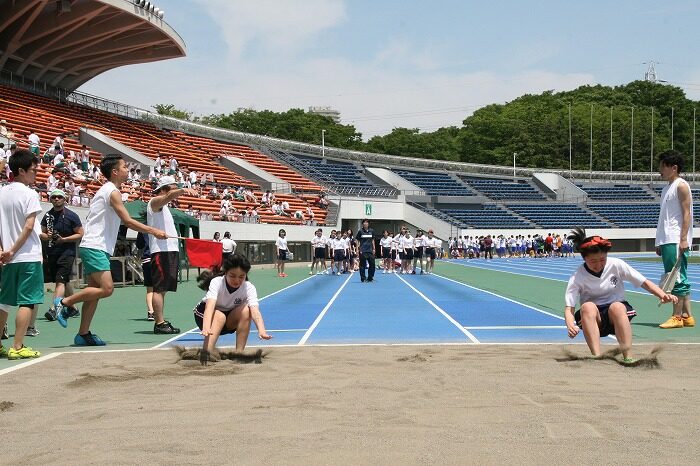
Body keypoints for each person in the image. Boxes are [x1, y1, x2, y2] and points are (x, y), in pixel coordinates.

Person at [53, 154, 167, 346]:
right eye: (124, 167)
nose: (127, 170)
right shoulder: (112, 191)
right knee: (107, 289)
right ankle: (63, 303)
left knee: (95, 292)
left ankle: (83, 334)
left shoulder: (110, 191)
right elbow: (127, 220)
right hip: (94, 246)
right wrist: (153, 230)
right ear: (114, 171)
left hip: (98, 247)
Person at [564, 228, 677, 363]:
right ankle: (597, 356)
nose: (599, 265)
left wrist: (662, 295)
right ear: (584, 259)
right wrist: (571, 325)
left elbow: (643, 282)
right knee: (587, 307)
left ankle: (628, 356)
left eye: (602, 259)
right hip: (595, 319)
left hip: (617, 315)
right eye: (593, 261)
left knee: (617, 307)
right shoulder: (578, 276)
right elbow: (569, 308)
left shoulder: (616, 264)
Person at [0, 150, 44, 359]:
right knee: (27, 301)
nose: (36, 173)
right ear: (21, 171)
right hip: (27, 256)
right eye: (33, 170)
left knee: (4, 302)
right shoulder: (30, 194)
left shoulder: (1, 192)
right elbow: (28, 227)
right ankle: (17, 346)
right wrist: (12, 250)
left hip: (8, 259)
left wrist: (4, 251)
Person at [194, 254, 272, 359]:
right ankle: (206, 352)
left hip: (229, 318)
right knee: (219, 315)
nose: (237, 280)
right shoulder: (217, 282)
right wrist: (206, 326)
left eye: (241, 277)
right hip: (205, 315)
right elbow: (210, 306)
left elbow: (255, 311)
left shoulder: (249, 287)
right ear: (225, 272)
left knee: (246, 310)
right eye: (232, 276)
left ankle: (238, 353)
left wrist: (262, 330)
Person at [147, 176, 198, 334]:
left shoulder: (165, 207)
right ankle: (159, 323)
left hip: (169, 251)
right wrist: (182, 190)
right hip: (161, 251)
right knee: (159, 288)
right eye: (173, 188)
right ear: (163, 190)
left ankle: (161, 320)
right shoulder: (155, 202)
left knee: (163, 289)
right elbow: (168, 197)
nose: (176, 191)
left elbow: (169, 197)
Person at [655, 150, 695, 329]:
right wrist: (659, 242)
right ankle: (687, 316)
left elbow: (687, 214)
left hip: (675, 237)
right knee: (680, 277)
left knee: (675, 278)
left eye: (662, 166)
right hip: (667, 239)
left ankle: (677, 316)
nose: (659, 170)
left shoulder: (681, 186)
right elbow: (664, 217)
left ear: (674, 168)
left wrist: (684, 239)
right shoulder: (666, 188)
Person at [40, 189, 83, 329]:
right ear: (50, 199)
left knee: (59, 281)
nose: (57, 199)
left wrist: (64, 239)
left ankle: (54, 308)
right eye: (54, 197)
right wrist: (49, 236)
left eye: (59, 197)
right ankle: (74, 308)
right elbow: (42, 234)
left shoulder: (72, 216)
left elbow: (80, 234)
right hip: (52, 253)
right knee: (64, 281)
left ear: (64, 199)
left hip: (67, 252)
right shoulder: (47, 216)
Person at [135, 232, 155, 321]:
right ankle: (158, 313)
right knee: (159, 289)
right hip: (159, 258)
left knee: (150, 289)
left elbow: (139, 245)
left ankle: (151, 312)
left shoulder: (142, 227)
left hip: (147, 259)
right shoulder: (160, 224)